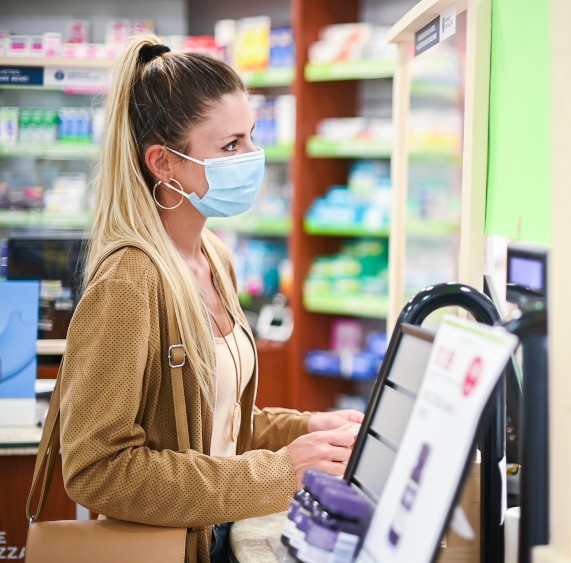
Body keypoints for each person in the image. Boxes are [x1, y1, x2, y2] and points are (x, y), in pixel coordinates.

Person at [57, 36, 363, 562]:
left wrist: (307, 428)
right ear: (164, 163)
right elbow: (96, 470)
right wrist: (281, 472)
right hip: (169, 548)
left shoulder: (213, 256)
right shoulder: (128, 283)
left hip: (217, 535)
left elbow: (211, 421)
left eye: (251, 139)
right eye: (230, 146)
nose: (252, 159)